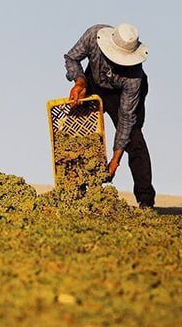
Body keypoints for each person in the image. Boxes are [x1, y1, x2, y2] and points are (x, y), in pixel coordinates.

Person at [64, 23, 155, 208]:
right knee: (77, 133)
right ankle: (76, 191)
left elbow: (126, 119)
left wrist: (115, 160)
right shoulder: (93, 35)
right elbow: (71, 58)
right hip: (93, 82)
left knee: (134, 139)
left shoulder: (134, 78)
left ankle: (146, 201)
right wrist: (80, 82)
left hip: (121, 93)